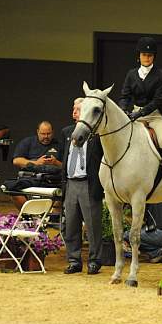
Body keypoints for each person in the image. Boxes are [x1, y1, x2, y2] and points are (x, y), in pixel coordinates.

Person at [118, 36, 162, 190]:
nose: (147, 58)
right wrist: (123, 109)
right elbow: (125, 95)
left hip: (154, 114)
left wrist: (140, 113)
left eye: (150, 55)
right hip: (135, 113)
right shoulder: (131, 74)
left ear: (153, 57)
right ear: (139, 56)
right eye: (144, 55)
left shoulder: (161, 75)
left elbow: (157, 100)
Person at [58, 98, 104, 275]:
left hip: (88, 182)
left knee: (92, 226)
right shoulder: (67, 132)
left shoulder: (96, 135)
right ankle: (74, 260)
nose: (74, 112)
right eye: (74, 109)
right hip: (70, 182)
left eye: (78, 109)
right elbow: (64, 157)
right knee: (71, 225)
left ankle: (94, 261)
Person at [10, 121, 62, 209]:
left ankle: (51, 218)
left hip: (53, 180)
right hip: (31, 178)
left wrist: (55, 162)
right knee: (11, 189)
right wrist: (37, 163)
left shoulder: (60, 145)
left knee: (67, 191)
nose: (46, 137)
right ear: (37, 131)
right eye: (43, 134)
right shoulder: (27, 142)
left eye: (48, 134)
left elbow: (67, 166)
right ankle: (29, 215)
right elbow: (16, 160)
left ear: (53, 132)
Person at [123, 198, 162, 263]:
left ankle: (158, 252)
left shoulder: (146, 202)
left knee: (127, 235)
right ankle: (161, 252)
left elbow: (150, 226)